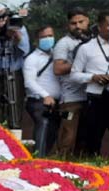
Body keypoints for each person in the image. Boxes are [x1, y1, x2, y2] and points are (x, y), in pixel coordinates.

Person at [53, 7, 92, 158]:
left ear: (88, 21)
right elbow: (58, 68)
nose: (78, 26)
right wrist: (80, 62)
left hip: (90, 96)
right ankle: (59, 164)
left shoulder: (94, 41)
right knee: (67, 135)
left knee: (86, 137)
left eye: (81, 22)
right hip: (69, 101)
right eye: (73, 23)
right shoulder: (64, 43)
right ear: (68, 25)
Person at [70, 11, 109, 157]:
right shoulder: (86, 48)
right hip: (96, 98)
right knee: (93, 140)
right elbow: (74, 75)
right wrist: (93, 77)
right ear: (99, 27)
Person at [24, 26, 61, 157]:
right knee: (43, 124)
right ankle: (37, 159)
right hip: (38, 102)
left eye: (50, 36)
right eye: (44, 37)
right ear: (36, 40)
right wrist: (45, 95)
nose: (48, 39)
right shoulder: (32, 59)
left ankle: (45, 158)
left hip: (57, 103)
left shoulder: (58, 56)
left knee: (53, 131)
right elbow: (29, 82)